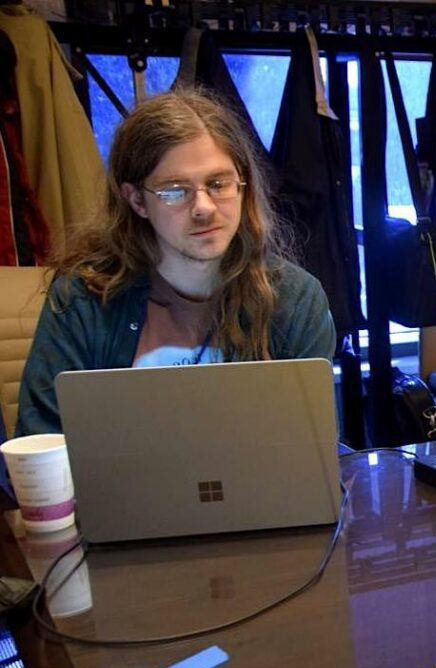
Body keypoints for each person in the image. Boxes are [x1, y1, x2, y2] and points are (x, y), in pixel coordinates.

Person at [16, 89, 335, 437]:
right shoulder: (82, 299)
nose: (203, 207)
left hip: (257, 492)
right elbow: (40, 444)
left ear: (242, 187)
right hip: (119, 493)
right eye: (175, 191)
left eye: (218, 184)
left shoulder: (295, 299)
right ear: (137, 200)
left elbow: (310, 449)